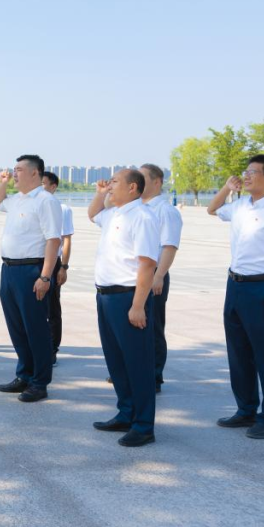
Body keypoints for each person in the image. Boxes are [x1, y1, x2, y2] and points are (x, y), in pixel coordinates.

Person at [208, 154, 264, 440]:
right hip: (235, 284)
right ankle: (246, 409)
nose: (246, 176)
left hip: (262, 287)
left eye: (253, 172)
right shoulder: (240, 206)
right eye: (245, 172)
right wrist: (227, 188)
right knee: (238, 353)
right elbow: (212, 209)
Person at [88, 169, 161, 447]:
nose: (110, 185)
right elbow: (93, 214)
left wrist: (138, 305)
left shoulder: (142, 217)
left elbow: (147, 264)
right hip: (105, 296)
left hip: (128, 297)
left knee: (137, 363)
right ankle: (125, 412)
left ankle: (143, 425)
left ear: (132, 188)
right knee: (116, 361)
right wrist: (100, 193)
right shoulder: (113, 214)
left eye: (115, 181)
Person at [0, 155, 62, 402]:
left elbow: (54, 240)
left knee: (36, 329)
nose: (14, 173)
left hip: (32, 270)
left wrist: (45, 276)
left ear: (35, 173)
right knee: (17, 327)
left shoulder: (45, 201)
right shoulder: (16, 200)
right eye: (14, 169)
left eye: (19, 170)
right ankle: (24, 374)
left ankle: (39, 382)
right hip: (9, 269)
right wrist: (3, 183)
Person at [140, 163, 182, 392]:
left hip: (154, 274)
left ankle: (154, 376)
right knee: (136, 325)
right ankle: (136, 371)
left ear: (157, 182)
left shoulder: (165, 211)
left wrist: (159, 276)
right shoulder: (137, 207)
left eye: (143, 177)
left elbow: (169, 246)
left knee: (153, 326)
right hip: (135, 275)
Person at [42, 171, 73, 365]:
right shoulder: (35, 205)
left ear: (53, 187)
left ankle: (52, 348)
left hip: (54, 262)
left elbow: (66, 240)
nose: (40, 187)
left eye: (43, 184)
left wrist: (64, 267)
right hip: (36, 261)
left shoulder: (63, 209)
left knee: (52, 307)